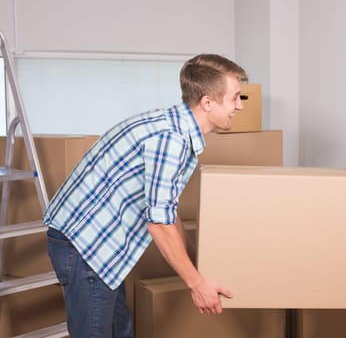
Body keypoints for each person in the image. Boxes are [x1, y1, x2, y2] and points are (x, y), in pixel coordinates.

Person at [44, 54, 248, 337]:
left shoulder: (175, 128)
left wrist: (198, 262)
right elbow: (159, 224)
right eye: (236, 97)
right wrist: (197, 286)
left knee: (121, 331)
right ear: (207, 102)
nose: (240, 105)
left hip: (100, 244)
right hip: (84, 246)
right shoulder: (171, 140)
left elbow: (166, 209)